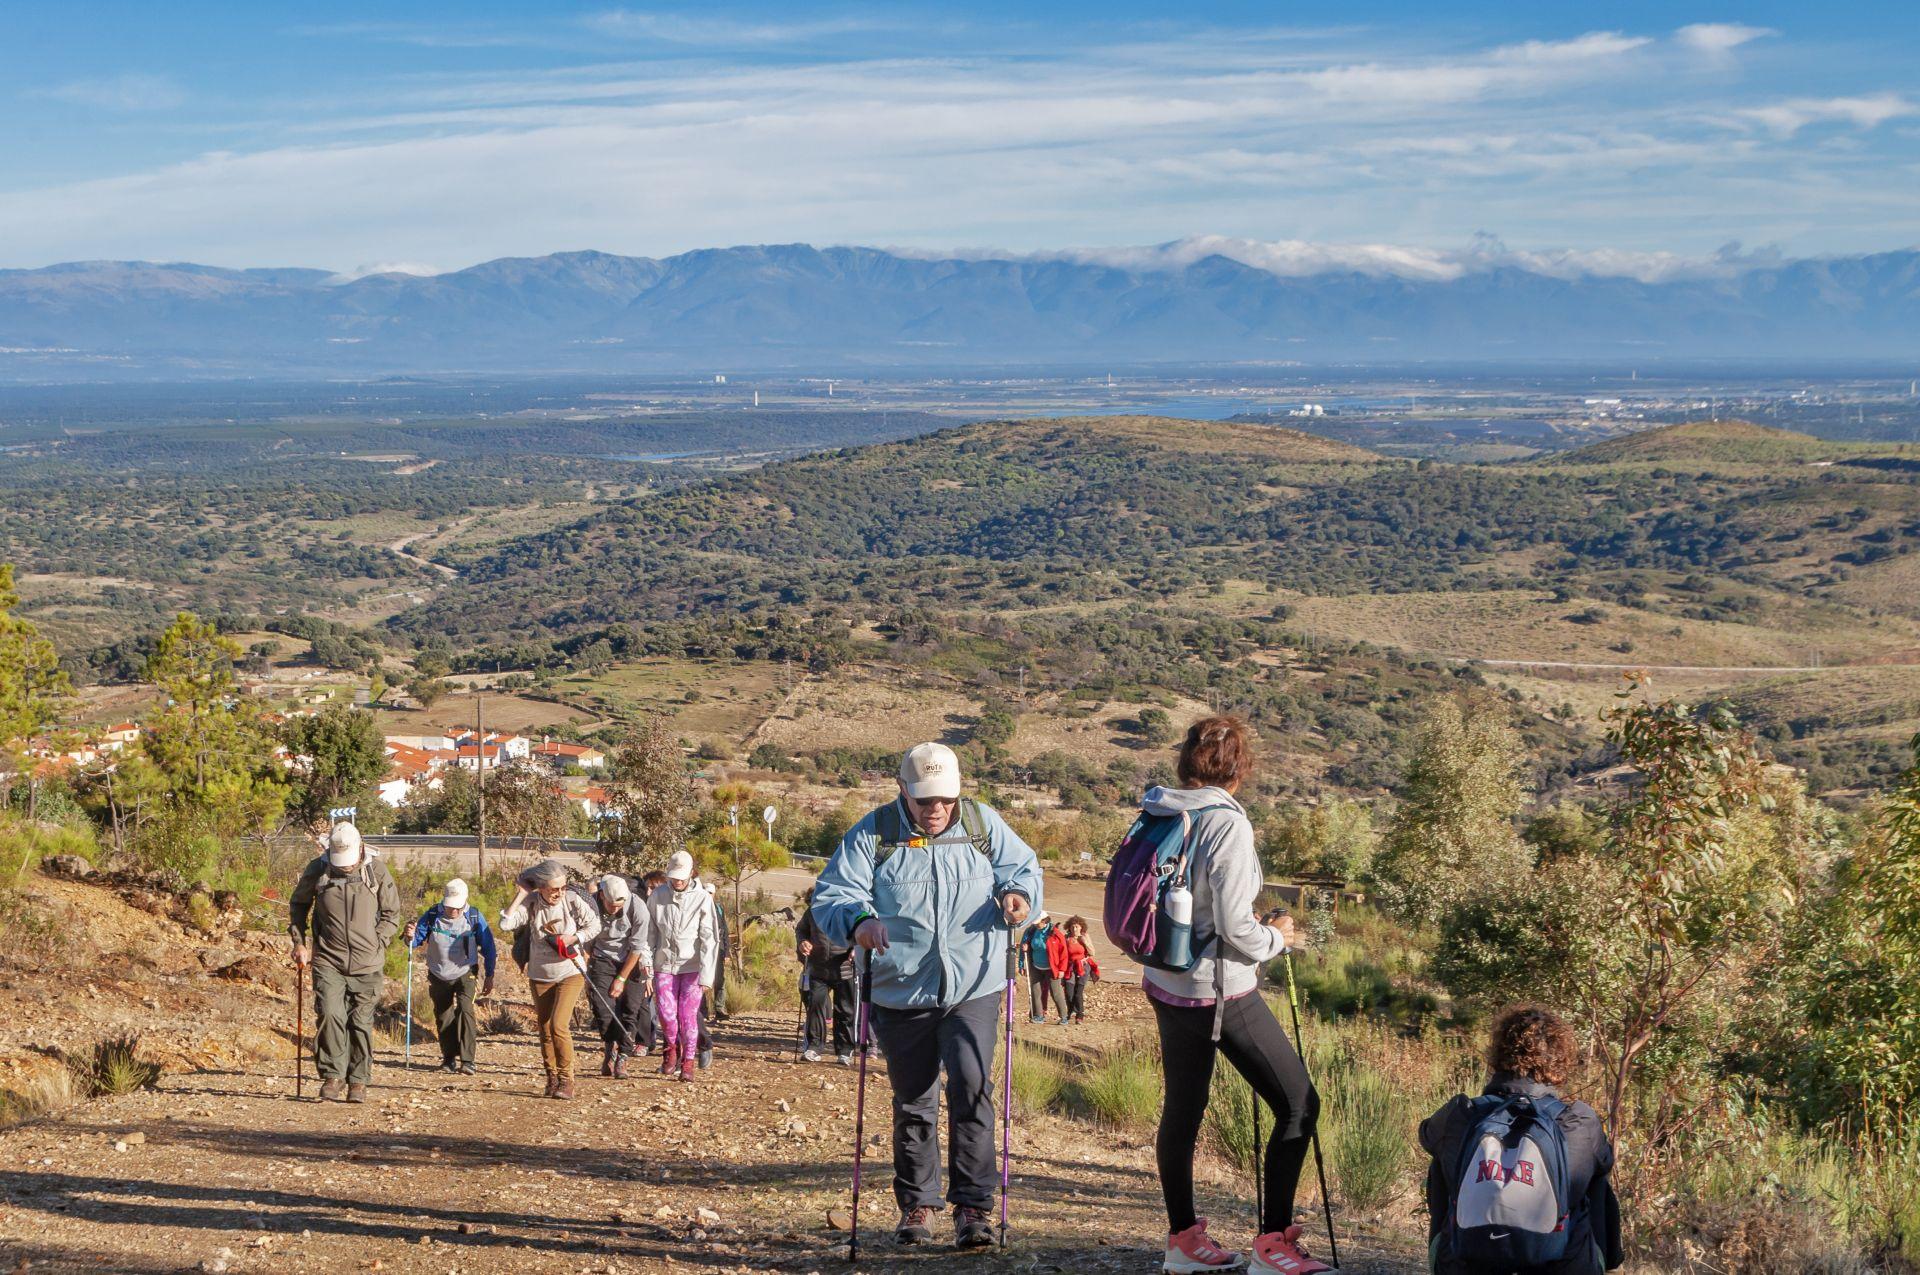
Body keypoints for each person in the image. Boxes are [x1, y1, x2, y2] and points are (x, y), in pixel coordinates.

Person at [811, 741, 1045, 1250]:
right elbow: (832, 895)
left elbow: (1025, 870)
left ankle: (973, 1208)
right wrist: (859, 921)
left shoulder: (982, 824)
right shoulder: (873, 833)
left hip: (974, 987)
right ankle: (918, 1205)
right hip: (900, 991)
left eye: (945, 798)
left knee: (972, 1089)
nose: (936, 809)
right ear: (903, 790)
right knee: (914, 1100)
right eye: (924, 799)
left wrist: (1019, 897)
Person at [1145, 717, 1334, 1275]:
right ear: (1240, 769)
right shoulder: (1227, 823)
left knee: (1183, 1109)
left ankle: (1183, 1242)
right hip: (1219, 990)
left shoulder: (1161, 810)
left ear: (1186, 761)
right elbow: (1233, 924)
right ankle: (1273, 1245)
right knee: (1298, 1104)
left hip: (1166, 982)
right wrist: (1276, 938)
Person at [1420, 1004, 1622, 1275]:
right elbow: (1606, 1160)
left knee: (1443, 1158)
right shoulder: (1578, 1122)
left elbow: (1426, 1135)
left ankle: (1450, 1258)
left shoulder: (1461, 1114)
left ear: (1498, 1055)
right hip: (1562, 1267)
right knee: (1596, 1174)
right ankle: (1606, 1264)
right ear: (1559, 1060)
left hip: (1465, 1265)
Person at [288, 822, 403, 1103]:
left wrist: (378, 941)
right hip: (328, 959)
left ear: (360, 849)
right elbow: (299, 905)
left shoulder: (376, 871)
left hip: (368, 964)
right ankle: (333, 1076)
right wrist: (299, 942)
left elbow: (392, 914)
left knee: (360, 1022)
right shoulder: (318, 869)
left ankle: (358, 1081)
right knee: (330, 1014)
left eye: (349, 861)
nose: (346, 866)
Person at [499, 859, 601, 1100]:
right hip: (540, 974)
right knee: (544, 1027)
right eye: (554, 888)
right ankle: (552, 1078)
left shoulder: (572, 900)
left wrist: (574, 938)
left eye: (563, 887)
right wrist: (522, 894)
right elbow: (505, 923)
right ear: (541, 887)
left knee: (558, 1025)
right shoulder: (532, 903)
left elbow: (595, 925)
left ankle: (567, 1080)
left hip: (570, 971)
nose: (560, 893)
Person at [406, 878, 497, 1075]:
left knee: (465, 1009)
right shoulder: (432, 915)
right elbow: (415, 942)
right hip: (438, 973)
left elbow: (489, 948)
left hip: (466, 972)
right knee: (443, 1014)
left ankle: (467, 1060)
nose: (453, 910)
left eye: (457, 907)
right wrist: (410, 936)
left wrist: (490, 974)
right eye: (450, 906)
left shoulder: (474, 917)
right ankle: (448, 1059)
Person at [647, 850, 716, 1082]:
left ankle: (688, 1062)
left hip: (692, 966)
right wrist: (647, 964)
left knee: (687, 1017)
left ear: (691, 874)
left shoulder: (702, 898)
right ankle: (670, 1051)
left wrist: (707, 975)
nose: (677, 881)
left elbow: (709, 938)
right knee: (667, 1015)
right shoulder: (658, 895)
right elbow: (650, 932)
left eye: (681, 877)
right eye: (674, 877)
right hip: (664, 964)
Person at [590, 873, 652, 1079]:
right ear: (602, 895)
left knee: (630, 1010)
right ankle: (611, 1045)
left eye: (619, 905)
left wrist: (621, 979)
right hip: (602, 957)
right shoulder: (590, 905)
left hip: (631, 960)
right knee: (603, 1007)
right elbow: (585, 939)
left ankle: (623, 1056)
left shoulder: (638, 908)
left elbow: (637, 947)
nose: (615, 909)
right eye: (611, 905)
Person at [795, 886, 856, 1063]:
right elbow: (801, 930)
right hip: (818, 968)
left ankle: (845, 1050)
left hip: (844, 968)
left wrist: (856, 949)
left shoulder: (848, 910)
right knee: (815, 1007)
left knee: (845, 1010)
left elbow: (859, 933)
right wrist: (803, 942)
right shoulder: (813, 911)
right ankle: (814, 1048)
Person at [1018, 912, 1067, 1025]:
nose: (1035, 924)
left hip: (1052, 968)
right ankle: (1038, 1016)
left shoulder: (1055, 934)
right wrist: (1021, 964)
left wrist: (1062, 969)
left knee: (1056, 993)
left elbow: (1064, 953)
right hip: (1035, 967)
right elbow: (1022, 948)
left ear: (1045, 921)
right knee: (1036, 992)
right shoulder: (1030, 931)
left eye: (1037, 923)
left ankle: (1064, 1016)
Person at [1060, 916, 1095, 1025]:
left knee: (1078, 993)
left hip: (1083, 967)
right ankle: (1070, 1011)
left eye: (1076, 927)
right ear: (1069, 927)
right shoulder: (1067, 938)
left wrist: (1085, 942)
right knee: (1069, 992)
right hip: (1070, 967)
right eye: (1072, 927)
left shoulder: (1085, 936)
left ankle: (1080, 1015)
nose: (1074, 929)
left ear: (1081, 927)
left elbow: (1092, 953)